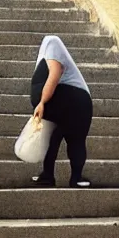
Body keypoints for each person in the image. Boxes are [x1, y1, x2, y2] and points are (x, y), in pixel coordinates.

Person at [30, 35, 93, 188]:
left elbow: (55, 73)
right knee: (52, 137)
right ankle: (48, 175)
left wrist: (42, 102)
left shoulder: (52, 42)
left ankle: (76, 177)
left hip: (76, 103)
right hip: (66, 103)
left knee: (75, 140)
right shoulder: (47, 48)